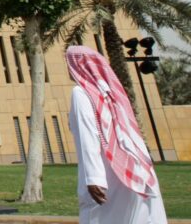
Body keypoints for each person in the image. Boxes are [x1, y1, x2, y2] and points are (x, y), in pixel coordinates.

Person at [65, 46, 167, 224]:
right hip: (132, 171)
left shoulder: (80, 93)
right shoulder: (111, 94)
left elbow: (88, 135)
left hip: (108, 175)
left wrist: (93, 178)